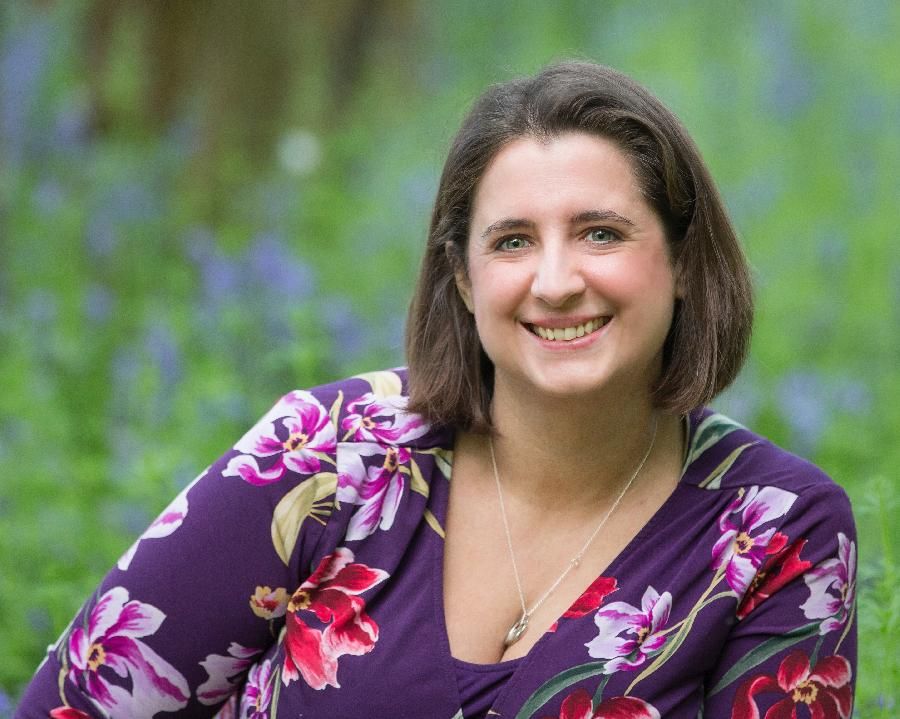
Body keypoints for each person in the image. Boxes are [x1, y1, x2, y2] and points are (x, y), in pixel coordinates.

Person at [18, 62, 856, 719]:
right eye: (512, 241)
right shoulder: (329, 454)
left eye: (600, 233)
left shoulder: (776, 531)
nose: (556, 281)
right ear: (462, 277)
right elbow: (72, 704)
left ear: (682, 262)